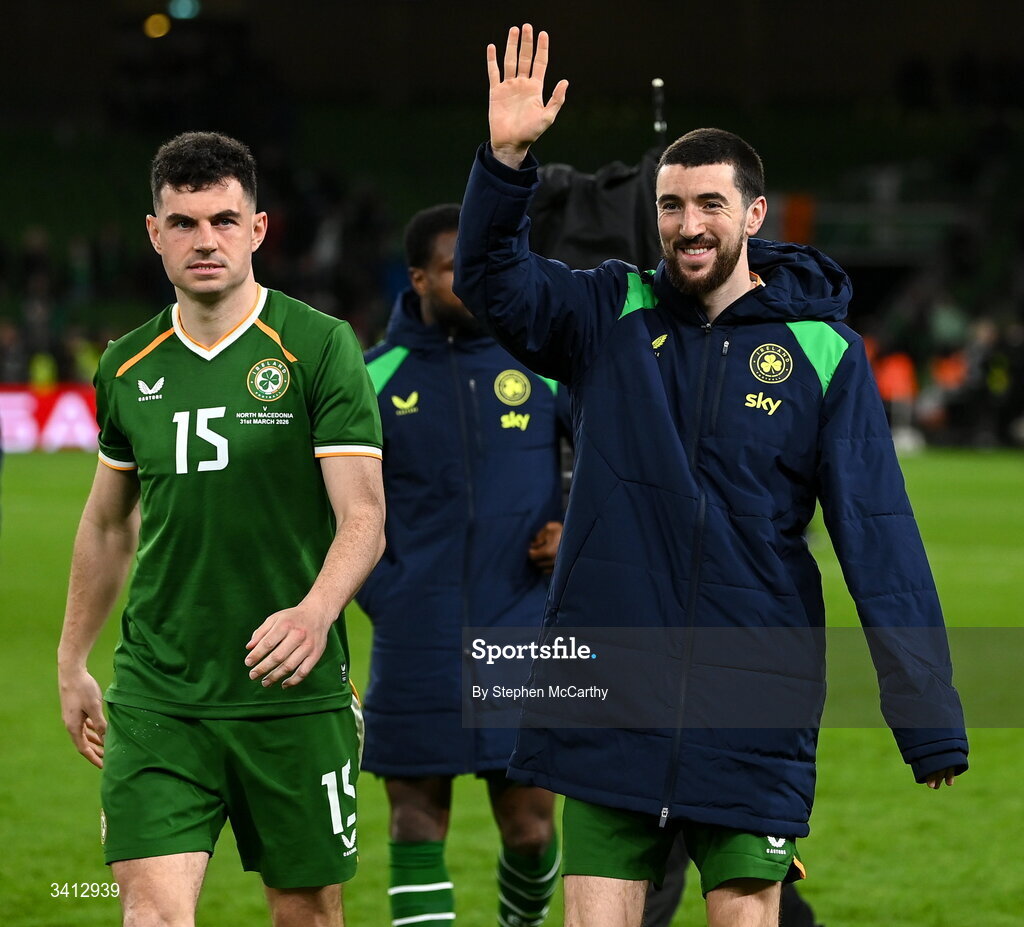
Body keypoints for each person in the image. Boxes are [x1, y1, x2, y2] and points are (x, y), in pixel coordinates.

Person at [453, 25, 968, 927]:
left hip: (752, 701)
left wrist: (924, 710)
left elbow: (878, 533)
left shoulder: (823, 352)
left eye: (710, 205)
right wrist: (505, 163)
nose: (689, 225)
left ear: (754, 215)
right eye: (671, 206)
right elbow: (490, 278)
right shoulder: (606, 310)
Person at [56, 131, 385, 927]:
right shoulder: (127, 364)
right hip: (161, 696)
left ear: (259, 229)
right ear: (154, 232)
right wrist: (72, 660)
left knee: (306, 910)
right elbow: (106, 524)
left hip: (292, 699)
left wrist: (315, 611)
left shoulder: (317, 347)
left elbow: (365, 515)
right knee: (151, 914)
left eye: (224, 221)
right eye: (184, 222)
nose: (206, 240)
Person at [358, 203, 570, 927]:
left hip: (522, 623)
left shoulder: (542, 363)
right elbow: (337, 505)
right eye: (455, 270)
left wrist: (568, 524)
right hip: (416, 630)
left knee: (534, 828)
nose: (474, 284)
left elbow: (605, 460)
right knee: (416, 823)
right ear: (418, 277)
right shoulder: (373, 376)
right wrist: (388, 592)